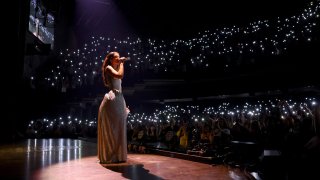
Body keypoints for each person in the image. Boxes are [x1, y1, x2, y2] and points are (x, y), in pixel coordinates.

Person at [97, 51, 130, 164]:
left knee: (119, 126)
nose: (118, 58)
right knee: (113, 128)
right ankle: (111, 155)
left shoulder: (114, 68)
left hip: (119, 97)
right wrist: (122, 64)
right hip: (113, 98)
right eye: (116, 57)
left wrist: (120, 64)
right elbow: (120, 75)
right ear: (111, 59)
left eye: (119, 57)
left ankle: (118, 155)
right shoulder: (108, 68)